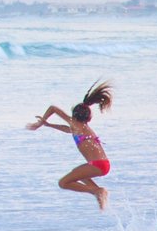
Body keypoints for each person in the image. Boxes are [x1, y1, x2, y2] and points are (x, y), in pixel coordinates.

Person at [26, 80, 114, 210]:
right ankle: (98, 192)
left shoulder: (75, 124)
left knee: (63, 183)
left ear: (74, 116)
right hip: (103, 164)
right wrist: (50, 125)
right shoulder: (82, 128)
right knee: (76, 174)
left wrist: (40, 123)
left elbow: (53, 108)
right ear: (88, 118)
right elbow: (68, 130)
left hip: (97, 165)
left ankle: (97, 191)